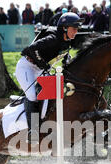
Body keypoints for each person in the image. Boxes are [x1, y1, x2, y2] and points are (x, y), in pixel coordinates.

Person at [17, 12, 83, 144]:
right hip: (27, 67)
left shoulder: (66, 42)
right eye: (74, 28)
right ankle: (33, 131)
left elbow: (62, 56)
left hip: (40, 70)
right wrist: (42, 63)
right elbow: (30, 50)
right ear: (64, 28)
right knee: (32, 96)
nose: (76, 31)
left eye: (77, 29)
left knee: (54, 93)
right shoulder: (52, 38)